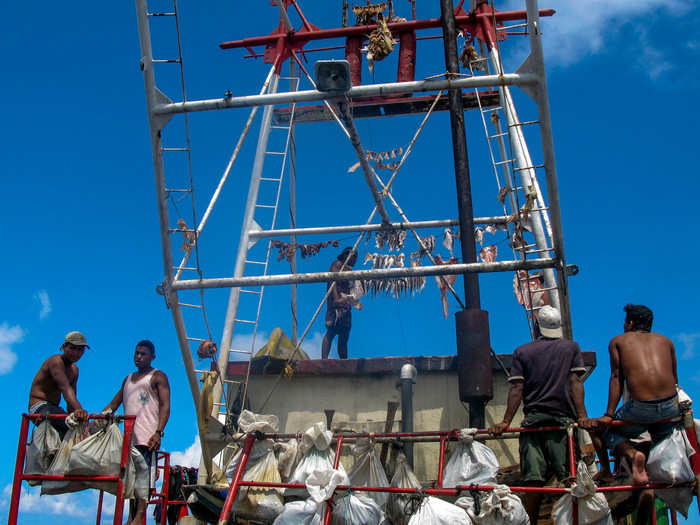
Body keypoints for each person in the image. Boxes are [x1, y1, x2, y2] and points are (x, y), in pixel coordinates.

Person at [489, 306, 588, 525]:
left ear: (536, 325)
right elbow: (575, 383)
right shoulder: (571, 348)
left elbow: (517, 389)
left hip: (533, 424)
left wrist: (505, 422)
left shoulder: (522, 352)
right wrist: (582, 417)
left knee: (532, 484)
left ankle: (531, 522)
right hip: (563, 426)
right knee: (569, 479)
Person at [581, 304, 680, 520]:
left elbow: (617, 377)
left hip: (640, 407)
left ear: (631, 323)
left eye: (625, 321)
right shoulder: (667, 342)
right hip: (670, 407)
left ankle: (629, 457)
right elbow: (674, 377)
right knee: (658, 447)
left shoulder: (618, 341)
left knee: (602, 430)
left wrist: (608, 414)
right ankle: (646, 470)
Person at [103, 340, 170, 525]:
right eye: (137, 353)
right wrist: (100, 418)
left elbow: (165, 405)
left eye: (143, 354)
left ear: (152, 357)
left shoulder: (157, 377)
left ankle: (140, 515)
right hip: (129, 438)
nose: (139, 357)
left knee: (145, 477)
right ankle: (132, 517)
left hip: (147, 436)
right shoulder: (128, 378)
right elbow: (114, 403)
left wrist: (158, 432)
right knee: (131, 479)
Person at [28, 331, 90, 438]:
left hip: (54, 408)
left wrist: (79, 417)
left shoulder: (75, 370)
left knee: (78, 428)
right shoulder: (56, 362)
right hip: (39, 407)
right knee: (68, 424)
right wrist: (79, 411)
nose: (76, 353)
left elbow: (71, 399)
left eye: (80, 349)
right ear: (63, 347)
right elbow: (65, 388)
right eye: (72, 348)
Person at [322, 247, 359, 359]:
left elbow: (353, 289)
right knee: (332, 330)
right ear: (346, 256)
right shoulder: (337, 265)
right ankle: (324, 359)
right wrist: (336, 299)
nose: (355, 260)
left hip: (345, 304)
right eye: (354, 257)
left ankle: (344, 361)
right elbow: (332, 281)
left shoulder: (350, 271)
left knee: (344, 333)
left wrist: (354, 301)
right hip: (336, 303)